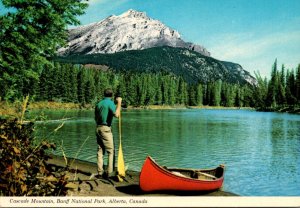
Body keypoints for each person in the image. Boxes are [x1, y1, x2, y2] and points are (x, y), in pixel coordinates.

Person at [94, 88, 122, 178]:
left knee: (100, 151)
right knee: (111, 151)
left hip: (98, 128)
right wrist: (119, 102)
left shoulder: (99, 104)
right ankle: (110, 173)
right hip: (105, 129)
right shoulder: (110, 103)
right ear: (112, 95)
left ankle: (100, 172)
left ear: (104, 94)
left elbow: (95, 117)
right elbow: (117, 115)